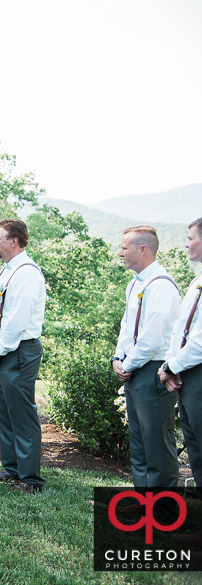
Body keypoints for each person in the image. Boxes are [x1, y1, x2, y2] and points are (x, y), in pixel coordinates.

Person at [110, 226, 181, 519]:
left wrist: (128, 364)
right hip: (134, 367)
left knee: (157, 442)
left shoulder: (162, 285)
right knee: (139, 441)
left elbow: (152, 337)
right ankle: (143, 503)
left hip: (152, 370)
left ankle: (163, 511)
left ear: (143, 249)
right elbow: (128, 326)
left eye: (124, 247)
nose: (120, 252)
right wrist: (117, 356)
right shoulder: (136, 284)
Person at [0, 218, 47, 493]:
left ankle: (30, 479)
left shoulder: (27, 272)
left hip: (18, 350)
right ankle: (12, 469)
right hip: (3, 348)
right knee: (7, 414)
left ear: (14, 241)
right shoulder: (9, 270)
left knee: (22, 415)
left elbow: (18, 318)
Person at [161, 218, 202, 546]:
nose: (186, 244)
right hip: (188, 373)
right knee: (197, 453)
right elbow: (181, 330)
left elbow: (201, 341)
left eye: (190, 238)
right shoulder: (197, 282)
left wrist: (170, 366)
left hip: (198, 371)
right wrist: (174, 368)